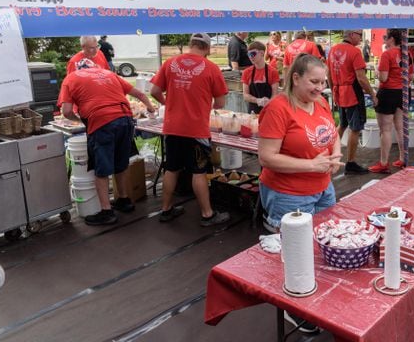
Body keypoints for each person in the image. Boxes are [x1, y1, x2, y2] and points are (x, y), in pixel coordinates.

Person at [257, 54, 341, 335]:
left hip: (322, 188)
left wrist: (336, 152)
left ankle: (315, 294)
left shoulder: (321, 102)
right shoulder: (278, 109)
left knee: (322, 245)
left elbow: (333, 132)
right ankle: (294, 307)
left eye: (323, 82)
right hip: (288, 194)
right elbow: (267, 158)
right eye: (314, 82)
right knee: (293, 252)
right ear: (296, 78)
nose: (320, 87)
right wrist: (311, 164)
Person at [60, 59, 156, 225]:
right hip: (126, 119)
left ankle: (106, 211)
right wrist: (151, 109)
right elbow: (140, 94)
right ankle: (124, 200)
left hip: (102, 122)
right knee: (121, 162)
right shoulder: (108, 73)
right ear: (95, 68)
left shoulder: (71, 78)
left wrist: (82, 120)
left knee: (101, 168)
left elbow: (66, 111)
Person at [150, 33, 230, 226]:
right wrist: (203, 106)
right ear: (208, 48)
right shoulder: (211, 68)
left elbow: (154, 91)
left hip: (172, 127)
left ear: (191, 44)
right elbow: (220, 102)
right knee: (198, 171)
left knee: (172, 168)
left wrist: (168, 103)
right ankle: (207, 214)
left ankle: (166, 209)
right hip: (196, 129)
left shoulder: (170, 63)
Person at [327, 29, 376, 174]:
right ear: (352, 34)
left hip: (339, 91)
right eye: (360, 35)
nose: (361, 39)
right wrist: (373, 94)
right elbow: (361, 78)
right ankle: (351, 162)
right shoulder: (354, 52)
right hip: (352, 93)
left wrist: (333, 90)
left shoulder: (332, 50)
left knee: (342, 125)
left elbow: (328, 73)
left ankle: (329, 156)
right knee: (355, 128)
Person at [369, 29, 410, 173]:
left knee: (385, 130)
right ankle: (403, 158)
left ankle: (383, 162)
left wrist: (376, 71)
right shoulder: (407, 54)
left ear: (392, 39)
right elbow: (409, 76)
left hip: (388, 92)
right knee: (400, 128)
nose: (384, 40)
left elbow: (383, 78)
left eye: (385, 37)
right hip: (403, 92)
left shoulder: (387, 54)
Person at [242, 41, 280, 114]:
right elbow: (245, 95)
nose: (250, 57)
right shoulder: (246, 72)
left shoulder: (273, 72)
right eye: (248, 55)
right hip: (253, 111)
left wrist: (268, 103)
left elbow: (275, 95)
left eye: (253, 54)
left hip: (269, 109)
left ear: (262, 53)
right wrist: (257, 100)